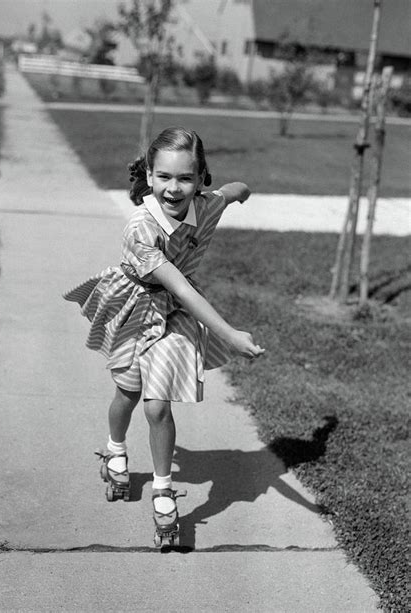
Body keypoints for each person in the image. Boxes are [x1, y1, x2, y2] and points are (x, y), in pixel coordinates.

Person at [63, 126, 264, 538]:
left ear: (200, 177)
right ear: (149, 177)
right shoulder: (141, 226)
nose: (174, 189)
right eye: (165, 177)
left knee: (157, 406)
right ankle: (115, 449)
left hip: (176, 315)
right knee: (128, 391)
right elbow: (180, 286)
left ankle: (162, 489)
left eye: (186, 178)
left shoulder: (205, 206)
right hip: (137, 304)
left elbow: (226, 193)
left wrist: (242, 190)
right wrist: (228, 334)